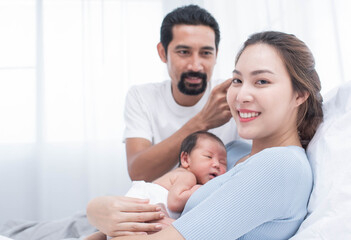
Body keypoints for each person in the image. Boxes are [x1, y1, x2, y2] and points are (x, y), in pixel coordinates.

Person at [86, 30, 324, 239]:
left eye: (262, 81)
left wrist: (100, 215)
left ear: (300, 94)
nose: (241, 96)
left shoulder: (279, 166)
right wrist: (99, 213)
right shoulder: (229, 152)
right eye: (238, 80)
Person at [124, 4, 239, 182]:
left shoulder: (232, 95)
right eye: (184, 52)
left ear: (216, 55)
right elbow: (138, 172)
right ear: (163, 53)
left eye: (206, 53)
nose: (195, 65)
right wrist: (202, 121)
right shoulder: (142, 96)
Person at [89, 131, 227, 239]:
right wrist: (201, 189)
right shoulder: (186, 176)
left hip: (127, 221)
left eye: (223, 163)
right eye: (208, 157)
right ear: (185, 159)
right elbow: (175, 201)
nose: (216, 164)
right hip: (143, 212)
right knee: (179, 230)